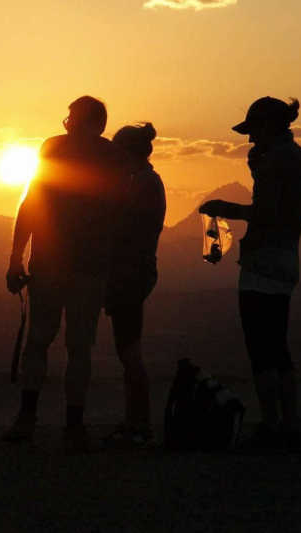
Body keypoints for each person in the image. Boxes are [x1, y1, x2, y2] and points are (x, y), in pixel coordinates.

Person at [4, 96, 130, 453]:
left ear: (79, 121)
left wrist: (16, 256)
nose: (68, 122)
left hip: (53, 262)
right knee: (78, 347)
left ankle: (28, 420)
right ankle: (72, 426)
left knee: (40, 341)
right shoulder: (114, 158)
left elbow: (32, 202)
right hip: (88, 267)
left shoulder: (53, 148)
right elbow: (122, 216)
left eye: (72, 117)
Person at [199, 97, 301, 452]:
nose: (250, 140)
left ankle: (269, 426)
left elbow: (265, 211)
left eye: (254, 132)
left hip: (262, 261)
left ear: (270, 127)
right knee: (278, 347)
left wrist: (223, 208)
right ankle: (289, 425)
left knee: (261, 348)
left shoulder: (276, 162)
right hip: (288, 257)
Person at [103, 123, 166, 449]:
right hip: (134, 272)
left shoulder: (142, 184)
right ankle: (134, 422)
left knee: (129, 351)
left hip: (130, 273)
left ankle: (140, 424)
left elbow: (125, 229)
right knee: (127, 349)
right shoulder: (143, 181)